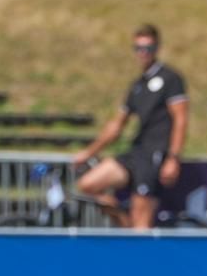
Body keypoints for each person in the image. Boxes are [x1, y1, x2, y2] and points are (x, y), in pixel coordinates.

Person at [73, 23, 189, 231]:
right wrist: (89, 152)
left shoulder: (170, 78)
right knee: (88, 185)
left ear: (157, 48)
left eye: (148, 48)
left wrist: (173, 158)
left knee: (141, 220)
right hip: (136, 151)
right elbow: (116, 125)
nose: (143, 53)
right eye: (139, 48)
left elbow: (181, 119)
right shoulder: (137, 84)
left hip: (156, 153)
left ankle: (141, 255)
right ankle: (125, 228)